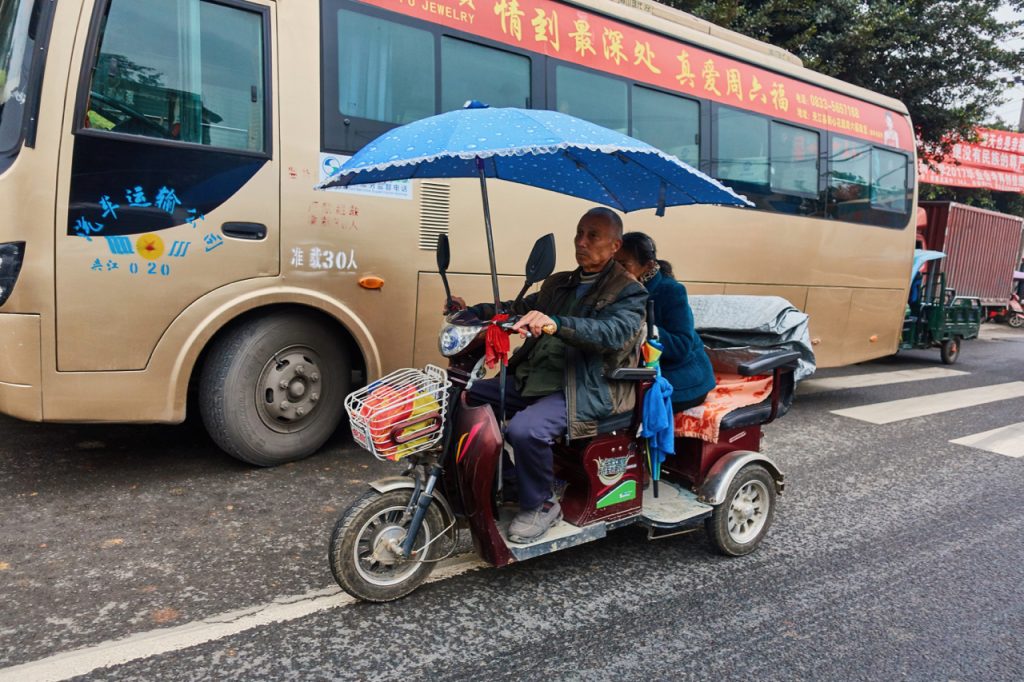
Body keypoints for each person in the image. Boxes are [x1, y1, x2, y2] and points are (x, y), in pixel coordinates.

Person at [454, 207, 648, 543]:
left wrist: (557, 324)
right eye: (579, 233)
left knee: (525, 429)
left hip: (588, 386)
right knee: (468, 397)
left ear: (615, 246)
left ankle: (542, 504)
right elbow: (517, 308)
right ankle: (511, 481)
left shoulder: (629, 291)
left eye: (593, 236)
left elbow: (614, 334)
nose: (581, 242)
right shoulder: (559, 283)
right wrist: (472, 312)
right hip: (538, 377)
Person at [615, 232, 715, 411]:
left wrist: (644, 330)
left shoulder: (671, 290)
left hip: (681, 379)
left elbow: (682, 346)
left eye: (624, 265)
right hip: (642, 372)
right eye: (614, 264)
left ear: (648, 265)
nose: (617, 271)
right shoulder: (621, 288)